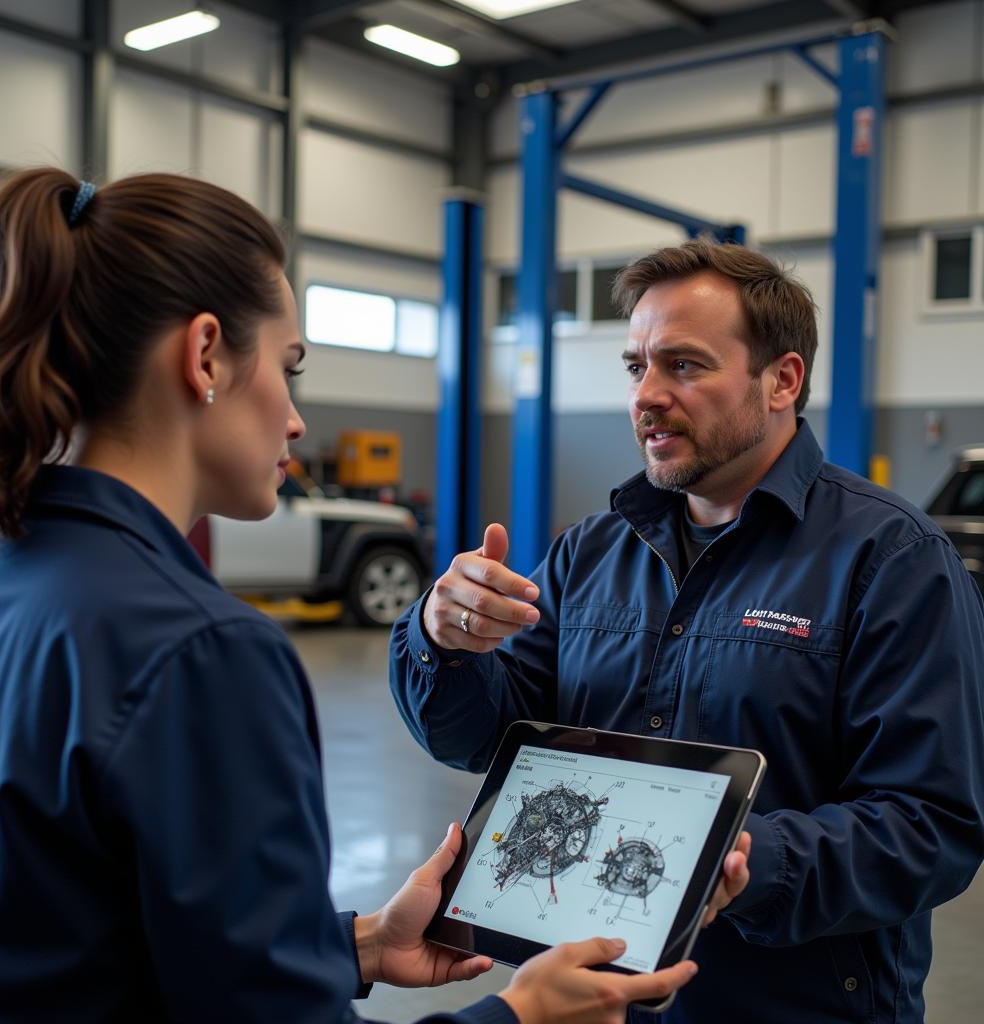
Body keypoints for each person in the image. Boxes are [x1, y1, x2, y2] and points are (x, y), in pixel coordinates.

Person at [0, 169, 729, 1023]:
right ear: (205, 353)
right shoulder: (199, 652)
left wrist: (352, 947)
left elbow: (96, 938)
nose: (293, 419)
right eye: (287, 368)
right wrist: (522, 1017)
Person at [390, 240, 984, 1024]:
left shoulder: (892, 561)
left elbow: (930, 825)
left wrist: (742, 860)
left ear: (782, 379)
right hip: (594, 995)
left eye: (684, 365)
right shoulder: (589, 553)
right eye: (637, 366)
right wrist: (444, 643)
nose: (648, 395)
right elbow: (483, 739)